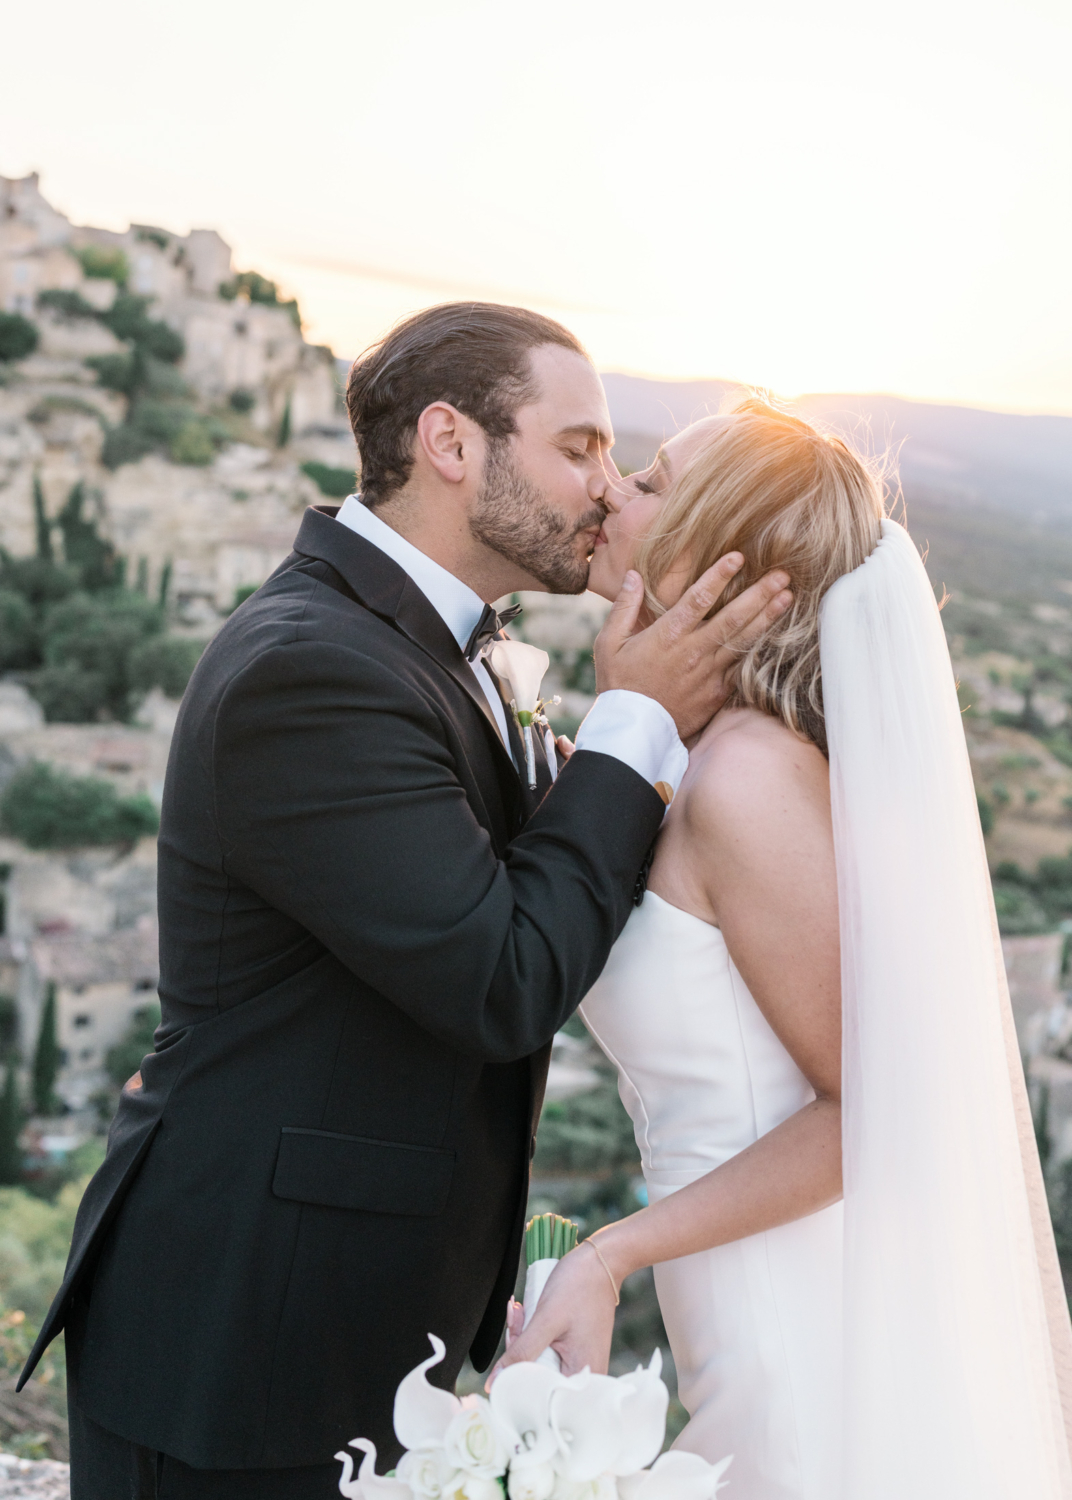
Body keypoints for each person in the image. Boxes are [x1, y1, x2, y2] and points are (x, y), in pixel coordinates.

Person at [18, 306, 791, 1500]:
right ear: (450, 443)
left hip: (357, 1322)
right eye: (578, 447)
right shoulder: (310, 668)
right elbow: (502, 977)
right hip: (243, 1340)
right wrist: (630, 722)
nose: (602, 485)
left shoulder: (443, 650)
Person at [499, 401, 1072, 1498]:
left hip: (792, 1330)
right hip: (740, 1311)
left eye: (656, 481)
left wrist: (609, 1252)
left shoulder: (750, 779)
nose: (616, 488)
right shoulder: (697, 756)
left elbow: (867, 1111)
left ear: (727, 562)